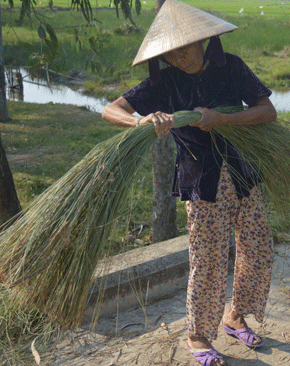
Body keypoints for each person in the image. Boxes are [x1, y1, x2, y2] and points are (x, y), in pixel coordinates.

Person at [102, 1, 276, 365]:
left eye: (184, 49)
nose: (180, 58)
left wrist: (223, 119)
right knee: (209, 261)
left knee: (257, 250)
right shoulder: (162, 84)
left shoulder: (233, 69)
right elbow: (111, 110)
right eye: (171, 54)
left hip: (245, 175)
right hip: (203, 182)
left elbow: (267, 111)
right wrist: (142, 121)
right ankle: (197, 336)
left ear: (203, 40)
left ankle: (235, 317)